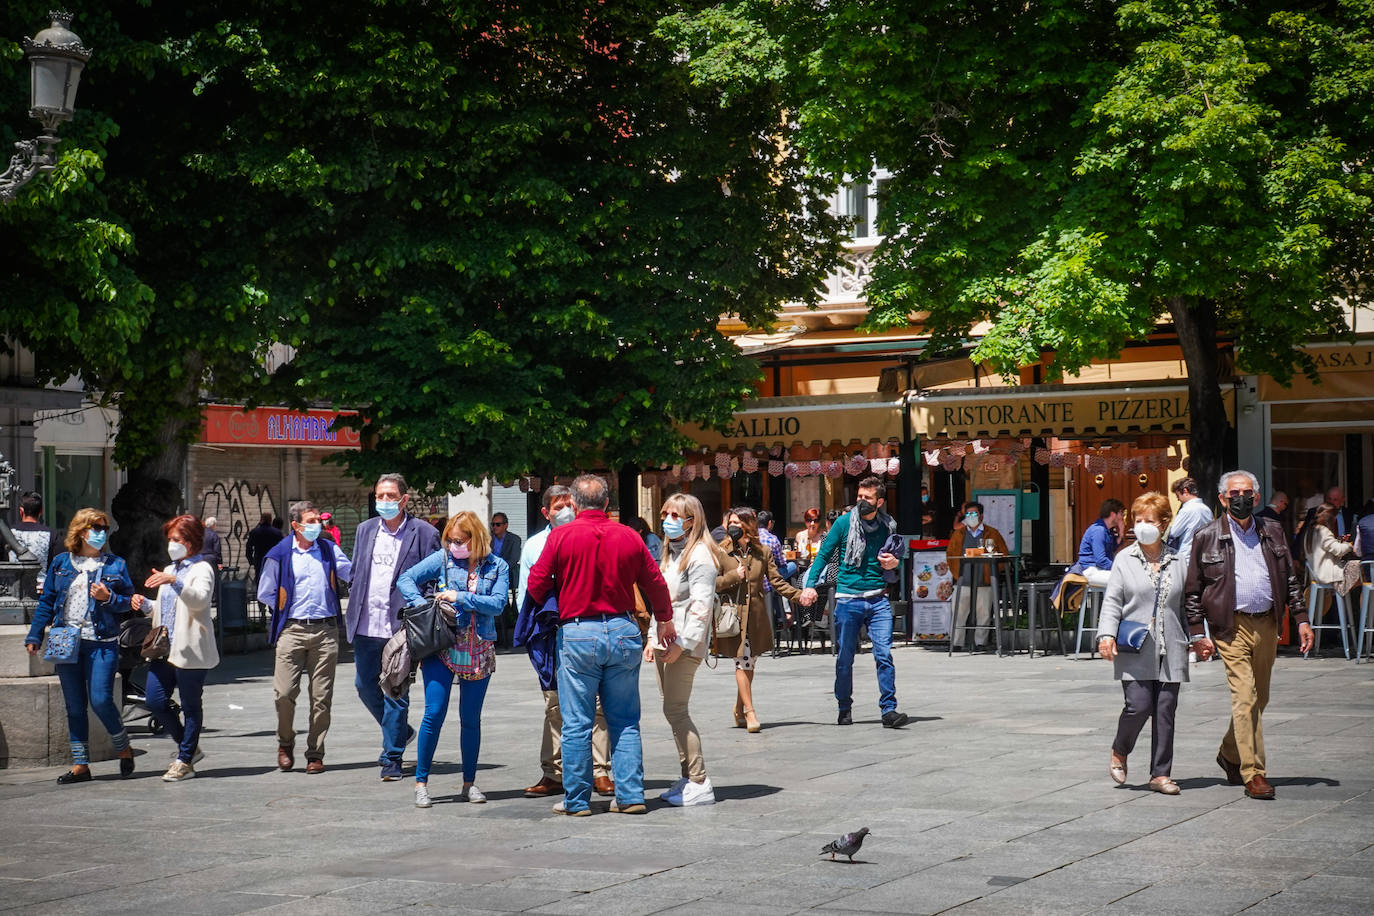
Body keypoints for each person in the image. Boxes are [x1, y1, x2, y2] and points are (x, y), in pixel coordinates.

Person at [527, 474, 674, 817]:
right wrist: (664, 618)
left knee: (577, 722)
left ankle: (577, 802)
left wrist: (558, 596)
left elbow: (536, 584)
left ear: (575, 504)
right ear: (607, 504)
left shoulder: (561, 537)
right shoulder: (628, 536)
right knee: (624, 719)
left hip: (578, 631)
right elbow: (654, 582)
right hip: (623, 629)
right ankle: (631, 795)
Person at [1185, 470, 1313, 800]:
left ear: (1256, 498)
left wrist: (1300, 619)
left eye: (1246, 493)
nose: (1240, 498)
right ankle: (1253, 772)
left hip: (1268, 623)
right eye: (1233, 493)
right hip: (1230, 626)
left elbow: (1290, 579)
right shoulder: (1206, 535)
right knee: (1245, 697)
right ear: (1222, 499)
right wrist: (1198, 633)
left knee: (1261, 698)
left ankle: (1229, 752)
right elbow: (1193, 590)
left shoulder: (1272, 531)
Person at [397, 511, 507, 808]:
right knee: (434, 713)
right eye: (450, 540)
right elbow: (406, 579)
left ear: (476, 539)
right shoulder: (443, 560)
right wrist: (422, 604)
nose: (454, 545)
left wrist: (460, 598)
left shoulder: (498, 566)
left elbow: (498, 604)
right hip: (442, 644)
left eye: (459, 540)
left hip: (479, 647)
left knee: (471, 719)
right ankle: (421, 783)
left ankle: (469, 783)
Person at [1097, 492, 1202, 796]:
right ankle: (1120, 748)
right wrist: (1106, 635)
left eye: (1150, 520)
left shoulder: (1177, 560)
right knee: (1139, 706)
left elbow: (1185, 605)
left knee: (1166, 711)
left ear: (1164, 523)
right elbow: (1113, 602)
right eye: (1138, 520)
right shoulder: (1124, 559)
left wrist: (1196, 637)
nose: (1143, 526)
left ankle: (1160, 774)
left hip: (1172, 646)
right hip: (1136, 646)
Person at [515, 485, 614, 800]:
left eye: (569, 504)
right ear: (546, 512)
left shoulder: (592, 535)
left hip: (587, 629)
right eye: (558, 506)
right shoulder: (534, 545)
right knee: (554, 705)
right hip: (550, 634)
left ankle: (601, 771)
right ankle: (554, 772)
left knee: (597, 703)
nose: (565, 511)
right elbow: (525, 594)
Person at [24, 508, 136, 782]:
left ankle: (123, 748)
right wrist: (35, 635)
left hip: (102, 643)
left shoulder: (115, 565)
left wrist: (108, 597)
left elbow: (129, 602)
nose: (100, 533)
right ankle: (81, 764)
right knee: (74, 705)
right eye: (95, 528)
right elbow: (47, 602)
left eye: (104, 529)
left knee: (100, 699)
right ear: (80, 531)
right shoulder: (61, 563)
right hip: (65, 639)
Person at [347, 473, 440, 781]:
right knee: (364, 686)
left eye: (390, 496)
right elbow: (358, 569)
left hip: (400, 626)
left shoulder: (423, 532)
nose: (383, 501)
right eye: (379, 496)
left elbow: (434, 576)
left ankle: (392, 758)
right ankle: (401, 732)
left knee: (395, 691)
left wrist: (421, 605)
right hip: (366, 624)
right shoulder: (364, 530)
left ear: (404, 499)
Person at [798, 476, 910, 729]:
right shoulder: (843, 523)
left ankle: (889, 710)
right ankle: (844, 707)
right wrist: (809, 585)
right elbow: (823, 556)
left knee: (883, 654)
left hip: (878, 598)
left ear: (879, 501)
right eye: (859, 497)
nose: (861, 502)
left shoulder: (887, 525)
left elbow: (896, 556)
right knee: (845, 656)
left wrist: (895, 562)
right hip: (848, 599)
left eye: (867, 498)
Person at [256, 500, 353, 774]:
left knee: (321, 697)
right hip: (292, 630)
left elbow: (352, 573)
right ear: (295, 525)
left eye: (317, 520)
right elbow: (265, 592)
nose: (316, 525)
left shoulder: (329, 548)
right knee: (284, 693)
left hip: (326, 630)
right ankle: (285, 743)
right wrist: (287, 608)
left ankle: (315, 753)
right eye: (310, 521)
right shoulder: (280, 553)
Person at [133, 514, 219, 782]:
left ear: (191, 541)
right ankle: (189, 748)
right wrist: (144, 604)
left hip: (190, 649)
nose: (171, 544)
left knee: (191, 705)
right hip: (164, 648)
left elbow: (200, 601)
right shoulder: (169, 570)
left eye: (177, 539)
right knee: (155, 700)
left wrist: (175, 583)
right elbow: (166, 607)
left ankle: (184, 760)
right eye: (170, 539)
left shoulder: (201, 569)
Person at [647, 493, 720, 806]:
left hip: (684, 644)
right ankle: (688, 777)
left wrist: (683, 644)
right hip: (667, 642)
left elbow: (701, 607)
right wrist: (652, 638)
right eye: (665, 513)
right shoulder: (671, 554)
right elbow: (662, 602)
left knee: (676, 709)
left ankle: (700, 779)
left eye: (676, 515)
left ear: (693, 521)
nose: (668, 520)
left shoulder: (701, 556)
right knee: (671, 709)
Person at [714, 506, 802, 732]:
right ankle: (750, 712)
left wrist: (799, 596)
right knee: (742, 662)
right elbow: (711, 583)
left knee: (749, 663)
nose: (732, 527)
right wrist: (734, 576)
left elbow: (777, 581)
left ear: (748, 526)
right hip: (733, 616)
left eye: (737, 523)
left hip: (756, 616)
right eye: (730, 523)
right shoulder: (721, 551)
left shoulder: (762, 552)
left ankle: (738, 706)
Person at [945, 501, 1009, 652]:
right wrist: (956, 573)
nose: (971, 517)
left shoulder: (992, 533)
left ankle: (980, 642)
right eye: (968, 514)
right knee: (959, 611)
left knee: (984, 611)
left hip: (985, 579)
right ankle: (956, 642)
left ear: (981, 516)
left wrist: (992, 570)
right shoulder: (958, 534)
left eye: (974, 514)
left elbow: (1003, 554)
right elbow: (950, 555)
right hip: (963, 579)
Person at [1304, 503, 1358, 631]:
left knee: (1357, 573)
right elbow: (1338, 550)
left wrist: (1339, 542)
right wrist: (1350, 545)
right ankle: (1345, 596)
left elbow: (1328, 548)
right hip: (1328, 576)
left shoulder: (1311, 530)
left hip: (1317, 575)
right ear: (1330, 519)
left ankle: (1342, 592)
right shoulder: (1323, 531)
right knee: (1360, 568)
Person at [1071, 499, 1125, 588]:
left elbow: (1113, 547)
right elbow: (1100, 560)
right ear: (1112, 514)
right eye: (1121, 513)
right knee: (1123, 581)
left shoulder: (1108, 530)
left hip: (1098, 569)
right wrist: (1119, 569)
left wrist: (1121, 533)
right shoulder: (1099, 531)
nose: (1123, 516)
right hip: (1091, 570)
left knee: (1126, 580)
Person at [8, 491, 54, 595]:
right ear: (41, 511)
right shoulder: (51, 534)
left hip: (13, 590)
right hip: (41, 591)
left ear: (21, 511)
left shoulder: (9, 534)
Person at [1165, 477, 1213, 562]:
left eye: (1177, 495)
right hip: (1205, 555)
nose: (1178, 499)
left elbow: (1174, 532)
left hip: (1187, 556)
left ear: (1185, 491)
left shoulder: (1186, 510)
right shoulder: (1207, 510)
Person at [245, 512, 283, 581]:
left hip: (259, 561)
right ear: (270, 520)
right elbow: (281, 549)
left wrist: (251, 561)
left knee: (259, 582)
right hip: (273, 561)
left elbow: (249, 548)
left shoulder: (254, 532)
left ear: (261, 519)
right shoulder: (277, 533)